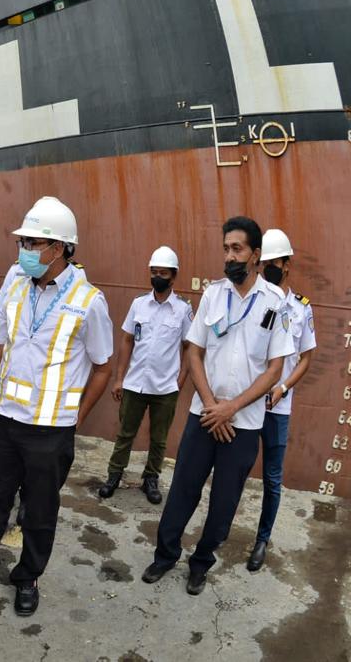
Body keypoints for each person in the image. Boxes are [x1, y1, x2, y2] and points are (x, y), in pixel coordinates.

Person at [0, 197, 113, 617]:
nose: (23, 249)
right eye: (22, 241)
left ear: (58, 249)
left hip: (51, 430)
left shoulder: (89, 301)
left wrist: (76, 416)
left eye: (32, 242)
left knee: (40, 511)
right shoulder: (15, 284)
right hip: (5, 420)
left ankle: (27, 577)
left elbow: (103, 368)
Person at [141, 216, 293, 596]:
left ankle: (201, 562)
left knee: (224, 503)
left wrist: (232, 408)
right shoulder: (213, 294)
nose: (230, 255)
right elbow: (194, 352)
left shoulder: (276, 304)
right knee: (182, 491)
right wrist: (212, 404)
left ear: (256, 255)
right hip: (203, 415)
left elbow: (274, 369)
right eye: (226, 248)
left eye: (237, 248)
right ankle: (165, 555)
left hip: (244, 423)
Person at [98, 246, 192, 504]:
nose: (157, 277)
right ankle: (114, 475)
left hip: (165, 388)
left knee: (159, 439)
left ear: (173, 277)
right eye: (154, 272)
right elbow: (127, 340)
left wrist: (180, 381)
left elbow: (189, 348)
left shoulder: (183, 310)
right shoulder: (139, 305)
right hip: (135, 384)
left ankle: (150, 478)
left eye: (163, 273)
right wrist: (119, 377)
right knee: (125, 434)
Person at [246, 228, 315, 572]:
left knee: (272, 478)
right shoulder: (255, 301)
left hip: (278, 407)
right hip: (249, 404)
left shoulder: (301, 309)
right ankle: (215, 533)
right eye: (265, 265)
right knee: (234, 469)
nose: (269, 269)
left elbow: (305, 358)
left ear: (287, 265)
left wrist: (284, 386)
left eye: (275, 263)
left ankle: (262, 540)